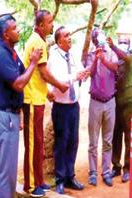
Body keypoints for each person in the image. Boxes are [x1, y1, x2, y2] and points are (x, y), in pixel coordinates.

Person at [0, 15, 42, 198]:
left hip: (10, 116)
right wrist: (34, 62)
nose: (18, 30)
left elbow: (22, 74)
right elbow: (19, 83)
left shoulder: (11, 53)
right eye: (14, 28)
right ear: (5, 34)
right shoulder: (1, 55)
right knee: (6, 171)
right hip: (4, 117)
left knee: (9, 168)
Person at [22, 10, 69, 197]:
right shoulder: (37, 42)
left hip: (38, 98)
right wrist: (59, 85)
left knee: (39, 142)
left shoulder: (38, 41)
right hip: (32, 100)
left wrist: (48, 92)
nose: (52, 25)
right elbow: (43, 73)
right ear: (41, 25)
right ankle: (31, 185)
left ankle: (39, 179)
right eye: (49, 22)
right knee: (33, 143)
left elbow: (37, 76)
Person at [47, 27, 89, 194]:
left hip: (74, 105)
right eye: (66, 36)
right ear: (59, 41)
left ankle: (70, 176)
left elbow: (79, 72)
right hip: (61, 107)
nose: (70, 38)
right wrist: (75, 77)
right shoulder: (54, 58)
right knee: (61, 143)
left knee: (73, 141)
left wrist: (84, 74)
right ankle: (60, 179)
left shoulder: (72, 55)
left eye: (69, 34)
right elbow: (57, 80)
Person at [85, 27, 120, 186]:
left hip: (110, 102)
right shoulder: (90, 55)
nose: (101, 38)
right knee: (93, 141)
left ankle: (106, 172)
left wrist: (104, 58)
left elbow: (115, 67)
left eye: (101, 34)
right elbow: (89, 74)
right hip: (95, 102)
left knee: (108, 141)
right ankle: (92, 173)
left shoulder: (111, 52)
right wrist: (95, 58)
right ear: (93, 40)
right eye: (97, 36)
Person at [110, 36, 132, 184]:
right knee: (116, 134)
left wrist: (114, 47)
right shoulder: (115, 59)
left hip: (128, 100)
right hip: (114, 100)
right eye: (120, 42)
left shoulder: (131, 57)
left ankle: (128, 168)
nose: (122, 44)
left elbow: (125, 58)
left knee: (128, 134)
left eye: (125, 43)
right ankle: (116, 166)